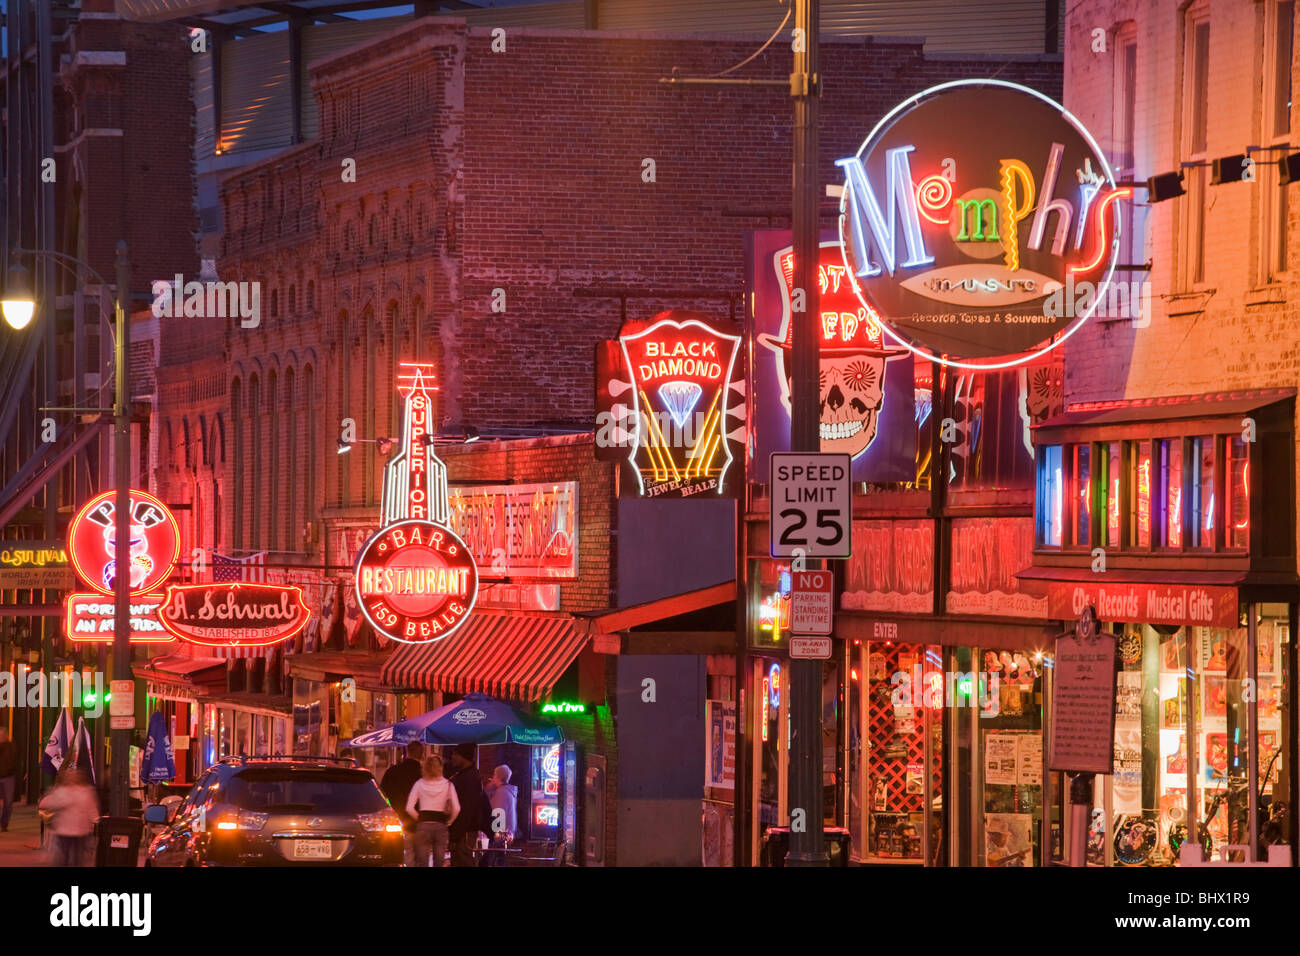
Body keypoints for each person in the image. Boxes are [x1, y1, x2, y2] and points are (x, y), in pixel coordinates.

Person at [405, 755, 458, 867]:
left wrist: (419, 818)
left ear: (425, 767)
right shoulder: (448, 784)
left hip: (423, 825)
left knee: (422, 862)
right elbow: (457, 808)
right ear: (440, 767)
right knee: (439, 861)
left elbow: (409, 808)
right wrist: (450, 822)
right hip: (440, 825)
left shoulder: (419, 783)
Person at [39, 768, 99, 867]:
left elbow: (91, 807)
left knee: (75, 856)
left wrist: (94, 820)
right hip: (66, 830)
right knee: (66, 855)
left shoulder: (85, 792)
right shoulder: (63, 791)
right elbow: (50, 804)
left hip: (78, 830)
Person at [380, 742, 424, 865]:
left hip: (397, 823)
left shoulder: (392, 771)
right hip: (421, 824)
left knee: (402, 857)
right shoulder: (425, 774)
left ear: (406, 752)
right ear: (422, 754)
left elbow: (383, 797)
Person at [447, 743, 486, 867]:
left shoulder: (469, 778)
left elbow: (467, 808)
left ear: (464, 757)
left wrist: (455, 835)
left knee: (463, 861)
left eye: (456, 754)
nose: (452, 757)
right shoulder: (463, 775)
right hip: (462, 830)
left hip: (465, 831)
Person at [483, 764, 518, 867]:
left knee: (491, 861)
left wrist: (493, 836)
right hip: (505, 836)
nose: (492, 778)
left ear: (498, 777)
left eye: (494, 775)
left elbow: (498, 815)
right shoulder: (507, 791)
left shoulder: (501, 793)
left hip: (499, 838)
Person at [0, 728, 17, 832]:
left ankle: (4, 824)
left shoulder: (11, 746)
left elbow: (15, 760)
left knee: (8, 802)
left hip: (8, 776)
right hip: (6, 776)